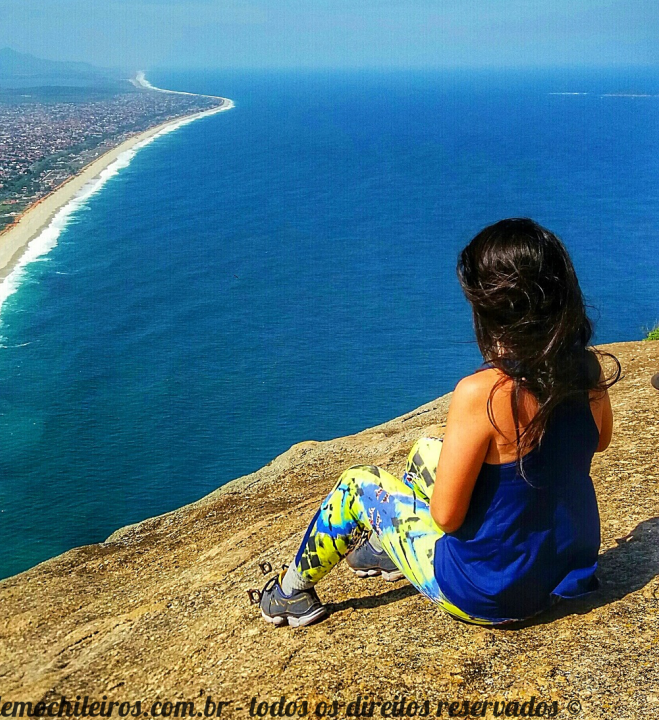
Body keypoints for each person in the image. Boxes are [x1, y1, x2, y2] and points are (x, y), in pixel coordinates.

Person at [256, 218, 619, 627]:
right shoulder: (587, 366)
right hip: (563, 574)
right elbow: (601, 439)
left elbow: (446, 518)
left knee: (358, 485)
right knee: (428, 452)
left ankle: (289, 593)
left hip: (491, 594)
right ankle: (384, 551)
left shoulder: (483, 392)